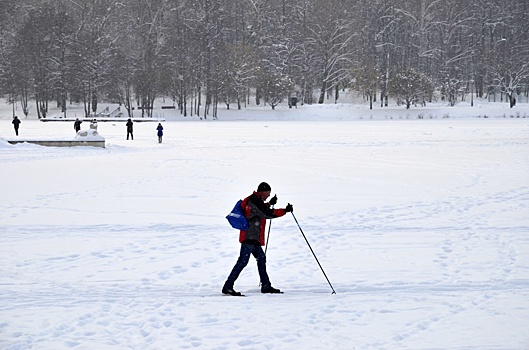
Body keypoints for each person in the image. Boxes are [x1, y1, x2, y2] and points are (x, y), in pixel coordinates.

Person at [222, 182, 293, 296]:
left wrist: (269, 203)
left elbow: (260, 210)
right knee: (243, 261)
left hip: (252, 237)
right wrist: (284, 211)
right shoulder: (253, 200)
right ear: (263, 191)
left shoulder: (256, 200)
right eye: (268, 194)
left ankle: (266, 286)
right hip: (249, 236)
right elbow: (265, 214)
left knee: (261, 257)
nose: (268, 196)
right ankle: (228, 286)